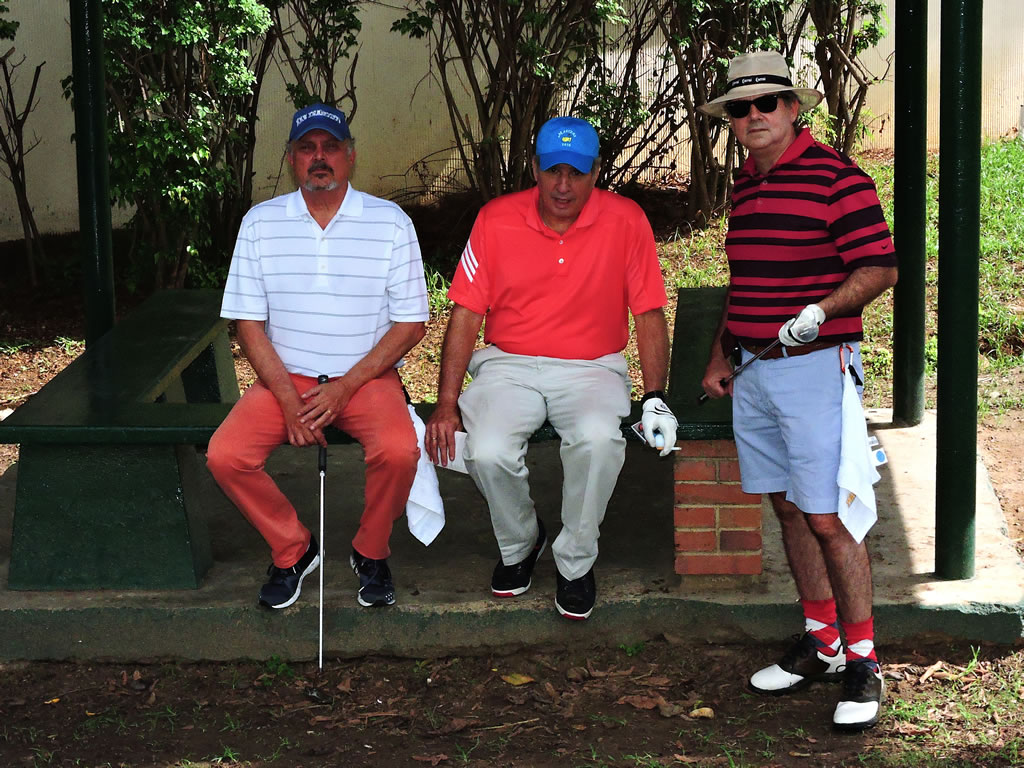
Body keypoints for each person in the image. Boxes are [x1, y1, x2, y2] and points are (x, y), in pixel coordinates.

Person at [698, 51, 898, 731]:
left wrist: (820, 311)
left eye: (766, 103)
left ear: (792, 108)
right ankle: (822, 642)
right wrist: (720, 354)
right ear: (731, 120)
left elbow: (880, 267)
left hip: (815, 368)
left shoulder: (837, 177)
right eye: (740, 108)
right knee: (787, 509)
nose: (753, 116)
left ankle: (865, 660)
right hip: (754, 371)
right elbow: (746, 281)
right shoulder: (745, 184)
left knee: (828, 516)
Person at [424, 116, 679, 621]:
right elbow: (466, 313)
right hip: (507, 364)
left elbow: (649, 312)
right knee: (487, 450)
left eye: (577, 172)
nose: (563, 185)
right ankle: (522, 542)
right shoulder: (496, 219)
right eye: (553, 171)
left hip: (592, 366)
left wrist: (655, 396)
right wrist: (446, 402)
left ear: (596, 172)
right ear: (535, 168)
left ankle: (576, 562)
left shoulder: (626, 220)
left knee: (597, 441)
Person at [207, 103, 429, 610]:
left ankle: (370, 550)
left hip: (365, 378)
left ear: (351, 155)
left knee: (399, 451)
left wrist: (345, 387)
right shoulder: (261, 223)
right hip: (286, 378)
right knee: (226, 455)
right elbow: (248, 325)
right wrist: (289, 400)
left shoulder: (390, 222)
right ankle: (293, 549)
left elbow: (411, 324)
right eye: (307, 148)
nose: (320, 157)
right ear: (291, 159)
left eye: (331, 147)